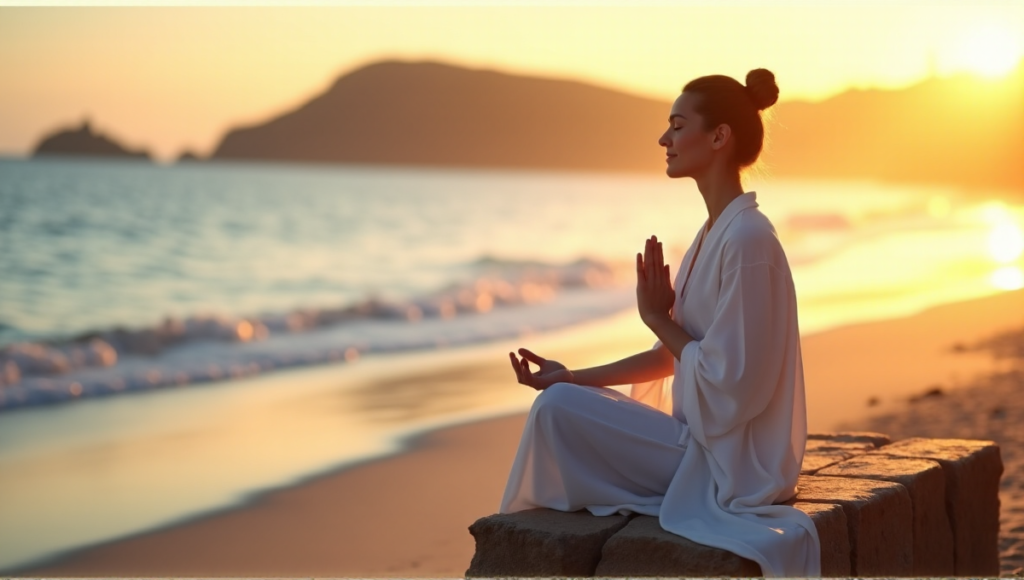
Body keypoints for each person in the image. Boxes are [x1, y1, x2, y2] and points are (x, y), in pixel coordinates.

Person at [500, 68, 821, 577]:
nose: (663, 139)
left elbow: (733, 385)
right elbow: (673, 357)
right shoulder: (712, 234)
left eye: (677, 125)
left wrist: (655, 316)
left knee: (557, 412)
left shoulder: (749, 241)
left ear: (719, 136)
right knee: (559, 400)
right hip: (700, 443)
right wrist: (573, 376)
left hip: (731, 467)